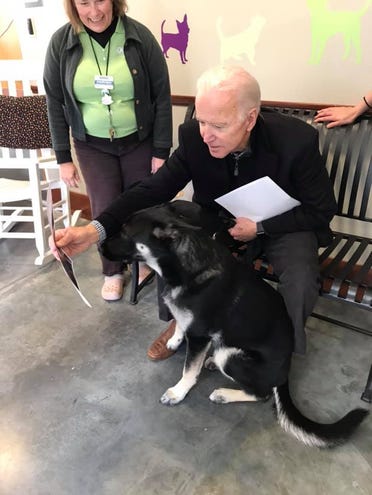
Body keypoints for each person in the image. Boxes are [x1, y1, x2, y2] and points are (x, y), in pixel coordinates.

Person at [49, 65, 337, 360]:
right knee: (169, 239)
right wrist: (92, 230)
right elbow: (151, 190)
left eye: (219, 126)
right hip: (221, 220)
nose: (206, 135)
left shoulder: (295, 141)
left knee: (301, 275)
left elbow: (322, 209)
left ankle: (279, 347)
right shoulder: (193, 138)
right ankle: (182, 323)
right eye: (202, 121)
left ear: (250, 119)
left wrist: (260, 228)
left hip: (284, 223)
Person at [44, 0, 172, 301]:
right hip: (92, 145)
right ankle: (113, 270)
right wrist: (63, 157)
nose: (94, 11)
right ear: (73, 5)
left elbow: (162, 96)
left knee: (142, 208)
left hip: (139, 140)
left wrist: (161, 150)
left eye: (100, 0)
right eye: (84, 2)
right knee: (103, 207)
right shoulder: (61, 43)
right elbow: (54, 101)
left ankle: (141, 262)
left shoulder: (140, 37)